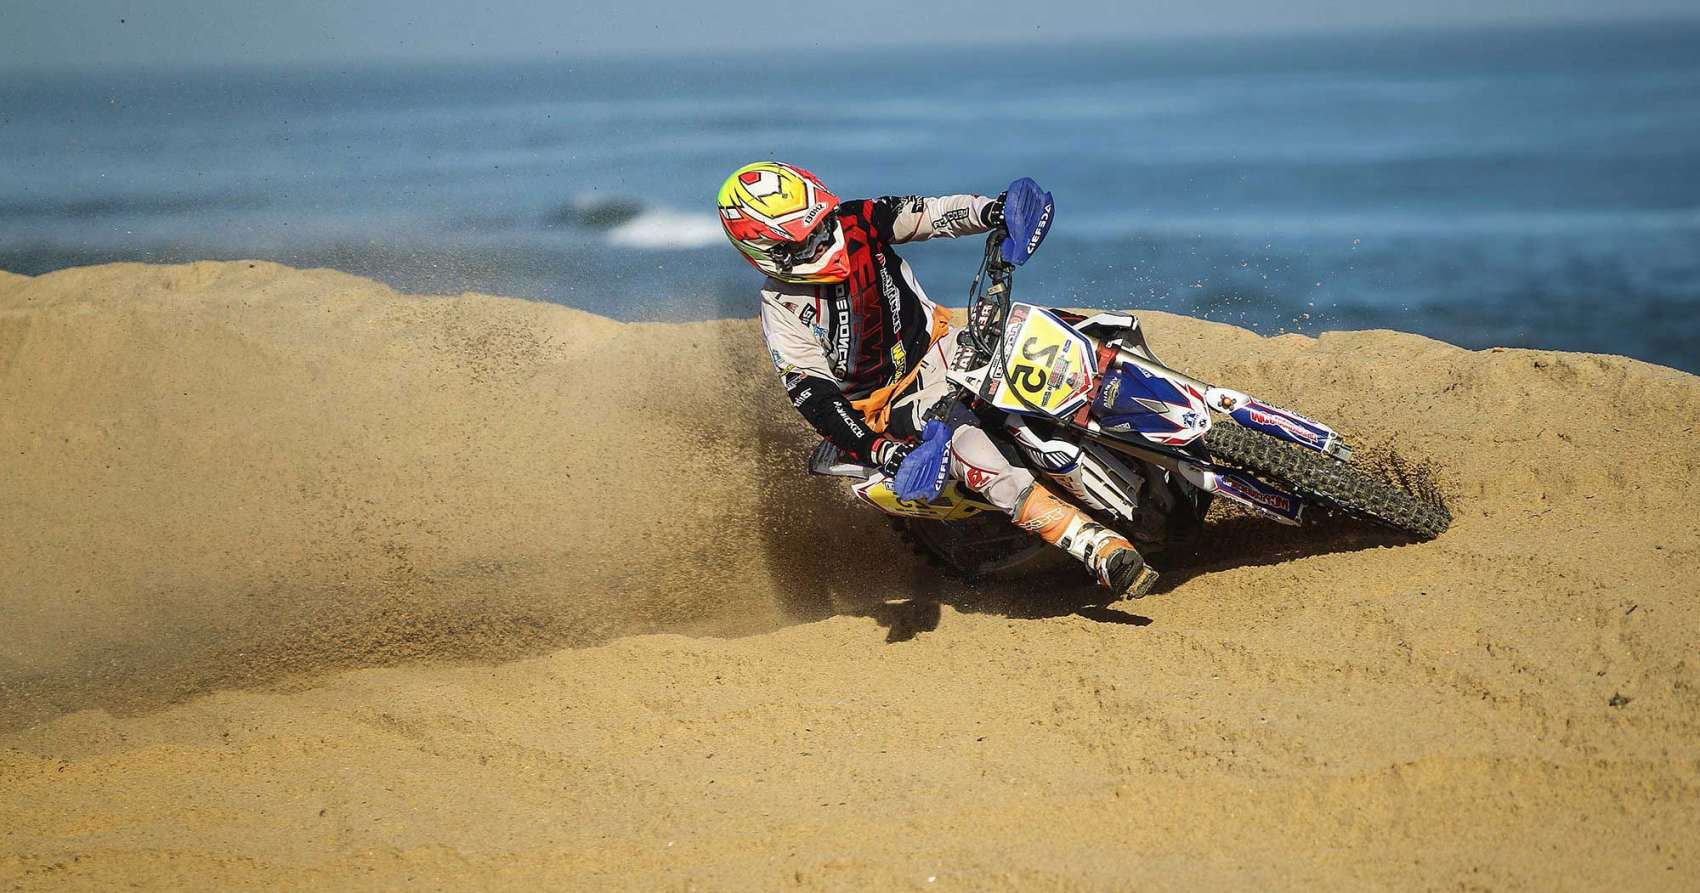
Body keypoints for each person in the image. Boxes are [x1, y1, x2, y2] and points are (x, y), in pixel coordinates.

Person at [716, 161, 1157, 600]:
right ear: (768, 252)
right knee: (980, 460)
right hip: (893, 404)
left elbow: (930, 213)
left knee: (1079, 333)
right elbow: (815, 397)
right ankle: (1097, 547)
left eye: (819, 226)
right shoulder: (782, 307)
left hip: (945, 345)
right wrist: (881, 450)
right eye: (804, 241)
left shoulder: (858, 222)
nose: (820, 241)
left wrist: (994, 211)